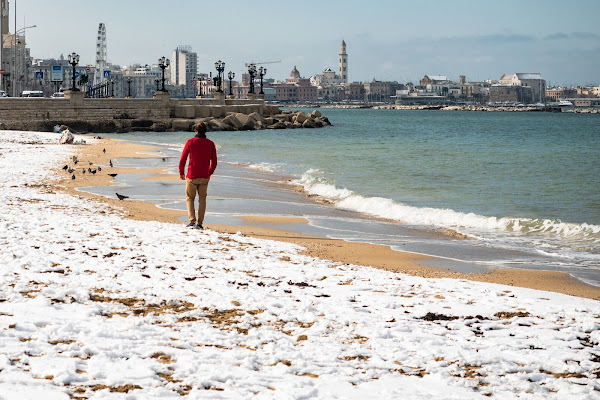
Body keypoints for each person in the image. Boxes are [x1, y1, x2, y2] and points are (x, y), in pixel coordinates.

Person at [179, 122, 217, 230]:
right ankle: (200, 223)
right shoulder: (211, 144)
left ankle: (192, 220)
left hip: (192, 175)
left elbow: (183, 159)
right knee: (202, 199)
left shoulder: (190, 142)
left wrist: (181, 172)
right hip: (204, 176)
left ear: (196, 130)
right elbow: (214, 162)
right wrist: (209, 172)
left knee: (190, 198)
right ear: (205, 131)